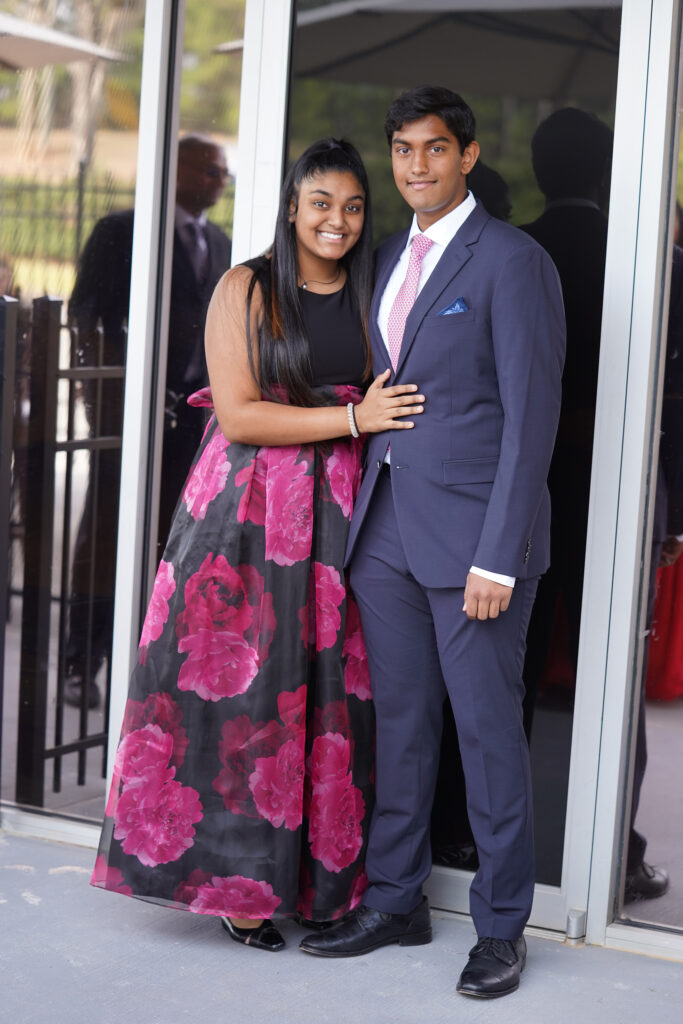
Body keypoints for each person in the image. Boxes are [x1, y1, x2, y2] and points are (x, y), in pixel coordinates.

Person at [91, 138, 424, 952]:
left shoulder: (375, 289)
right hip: (245, 509)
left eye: (352, 206)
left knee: (328, 695)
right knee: (238, 695)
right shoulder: (245, 286)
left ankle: (317, 883)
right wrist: (352, 418)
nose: (337, 221)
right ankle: (236, 885)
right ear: (291, 206)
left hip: (342, 510)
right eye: (321, 203)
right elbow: (239, 414)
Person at [300, 87, 565, 1000]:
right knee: (401, 728)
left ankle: (500, 927)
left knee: (486, 735)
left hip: (475, 545)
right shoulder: (380, 256)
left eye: (435, 148)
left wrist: (499, 554)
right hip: (384, 532)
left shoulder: (514, 261)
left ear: (468, 155)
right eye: (403, 150)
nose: (417, 165)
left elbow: (532, 420)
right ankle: (393, 900)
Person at [519, 108, 679, 902]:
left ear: (537, 170)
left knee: (511, 669)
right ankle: (615, 852)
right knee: (611, 670)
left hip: (523, 492)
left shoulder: (513, 251)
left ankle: (483, 838)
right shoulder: (648, 259)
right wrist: (668, 510)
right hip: (616, 492)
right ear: (606, 174)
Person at [65, 134, 232, 709]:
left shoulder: (220, 241)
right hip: (131, 415)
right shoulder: (123, 230)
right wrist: (106, 401)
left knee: (175, 539)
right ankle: (80, 661)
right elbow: (87, 317)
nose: (220, 181)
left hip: (194, 419)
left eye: (223, 173)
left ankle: (148, 666)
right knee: (106, 532)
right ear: (178, 169)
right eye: (210, 170)